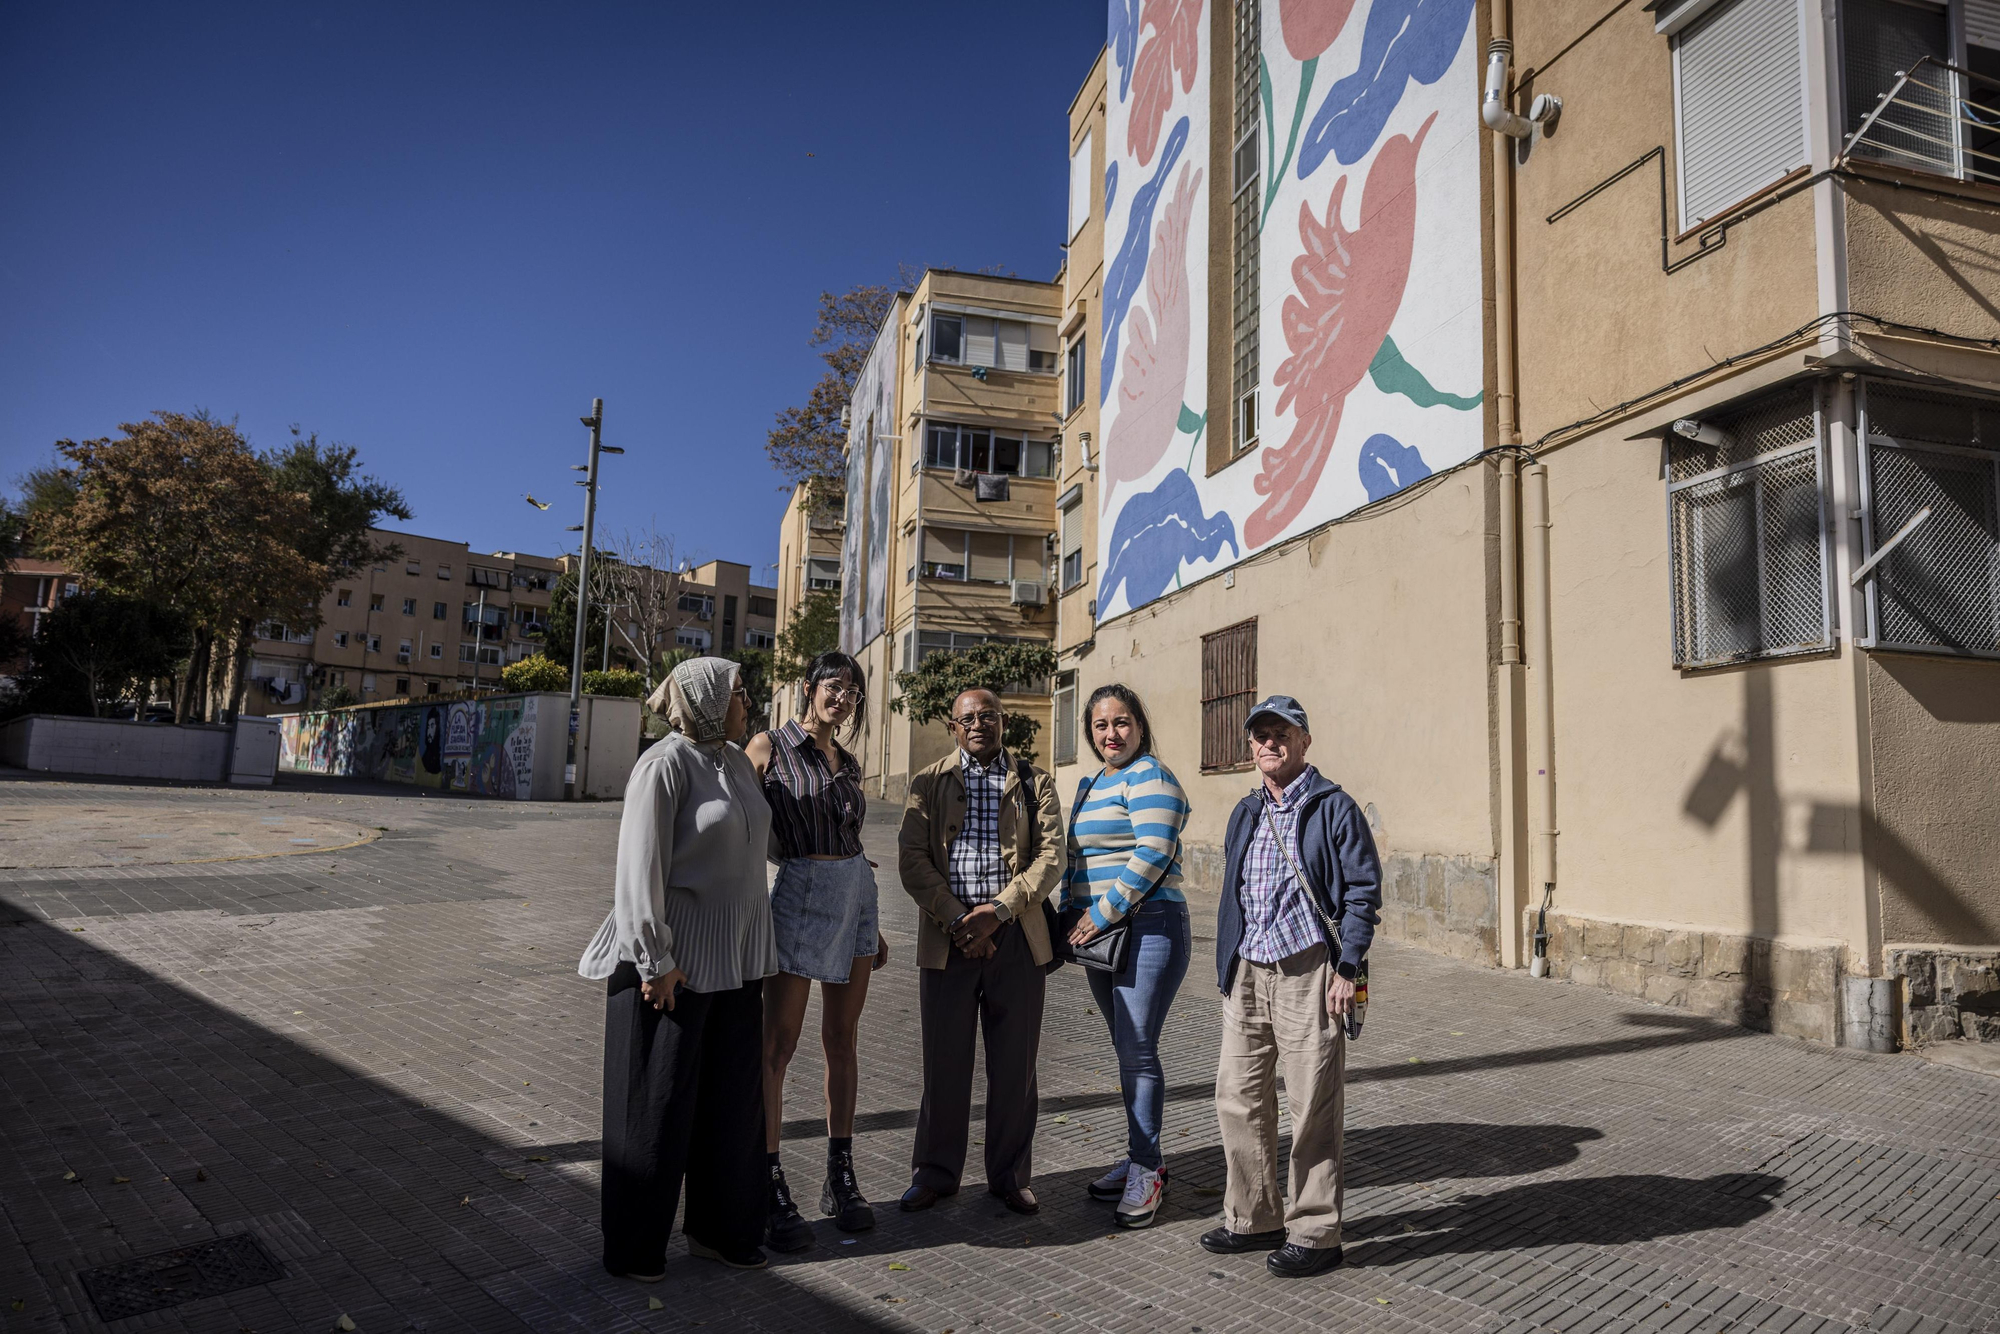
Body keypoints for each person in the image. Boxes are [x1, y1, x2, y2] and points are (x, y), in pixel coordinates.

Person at [578, 657, 777, 1276]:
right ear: (711, 701)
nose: (750, 703)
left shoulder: (738, 761)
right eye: (741, 693)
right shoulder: (663, 765)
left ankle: (720, 1232)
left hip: (739, 965)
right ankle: (635, 1247)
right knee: (657, 1110)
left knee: (731, 1106)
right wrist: (654, 959)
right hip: (671, 969)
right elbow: (636, 876)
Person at [1202, 694, 1381, 1279]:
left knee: (1312, 1106)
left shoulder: (1335, 808)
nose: (1269, 743)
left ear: (1305, 742)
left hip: (1310, 971)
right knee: (1238, 1098)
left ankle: (1316, 1231)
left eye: (1282, 733)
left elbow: (1361, 894)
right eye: (1260, 735)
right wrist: (1228, 966)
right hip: (1249, 970)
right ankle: (1253, 1217)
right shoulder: (1244, 812)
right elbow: (1236, 892)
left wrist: (1347, 967)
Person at [896, 687, 1065, 1215]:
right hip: (949, 941)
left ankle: (1010, 1176)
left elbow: (1051, 856)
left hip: (1016, 938)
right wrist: (958, 918)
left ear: (1003, 721)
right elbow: (911, 858)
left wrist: (999, 910)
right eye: (967, 717)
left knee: (1015, 1067)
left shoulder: (1036, 782)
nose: (978, 724)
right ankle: (936, 1173)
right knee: (944, 1063)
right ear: (953, 727)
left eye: (987, 715)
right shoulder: (927, 781)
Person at [743, 651, 888, 1251]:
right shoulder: (768, 747)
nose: (844, 697)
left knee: (842, 1040)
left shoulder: (849, 763)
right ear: (809, 689)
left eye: (853, 690)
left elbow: (851, 836)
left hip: (856, 894)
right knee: (776, 1046)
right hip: (800, 894)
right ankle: (767, 1180)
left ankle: (840, 1174)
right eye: (834, 686)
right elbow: (740, 827)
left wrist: (871, 921)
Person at [1063, 684, 1191, 1229]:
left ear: (1139, 726)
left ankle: (1147, 1170)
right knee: (1125, 1049)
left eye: (1121, 723)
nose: (1110, 734)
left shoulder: (1151, 776)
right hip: (1103, 933)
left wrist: (1105, 909)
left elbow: (1154, 848)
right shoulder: (1095, 783)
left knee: (1138, 1048)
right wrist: (1068, 912)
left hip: (1148, 924)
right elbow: (1078, 858)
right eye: (1099, 726)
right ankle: (1143, 1154)